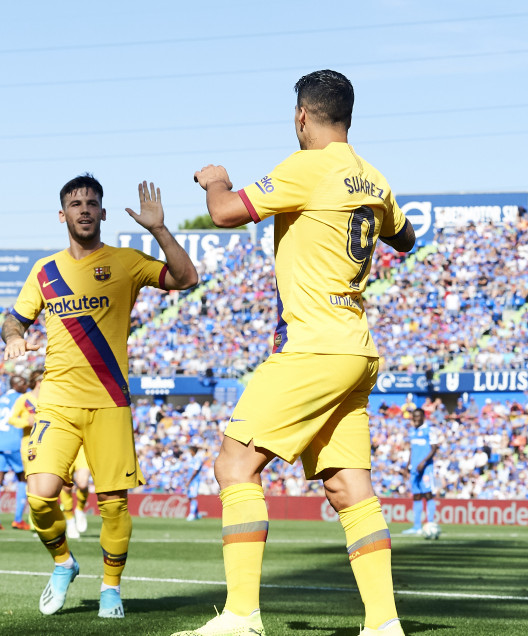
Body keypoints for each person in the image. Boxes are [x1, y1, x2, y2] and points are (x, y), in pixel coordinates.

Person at [176, 70, 415, 636]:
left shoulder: (305, 165)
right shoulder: (373, 178)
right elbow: (405, 239)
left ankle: (241, 616)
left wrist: (217, 180)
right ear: (348, 117)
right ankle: (384, 624)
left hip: (314, 346)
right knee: (347, 485)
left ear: (303, 116)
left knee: (235, 462)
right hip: (356, 347)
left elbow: (226, 213)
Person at [2, 174, 198, 619]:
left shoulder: (126, 262)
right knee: (39, 496)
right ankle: (63, 563)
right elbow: (13, 320)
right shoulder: (44, 271)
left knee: (113, 506)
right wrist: (14, 337)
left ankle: (111, 588)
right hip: (56, 401)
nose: (84, 209)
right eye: (75, 203)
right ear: (62, 214)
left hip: (110, 400)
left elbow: (187, 277)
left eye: (92, 202)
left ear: (103, 213)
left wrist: (159, 230)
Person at [0, 373, 36, 530]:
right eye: (23, 381)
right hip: (14, 442)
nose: (26, 384)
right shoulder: (22, 398)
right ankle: (18, 519)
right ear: (15, 384)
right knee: (22, 478)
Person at [403, 408, 439, 535]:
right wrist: (408, 465)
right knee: (416, 496)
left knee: (428, 494)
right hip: (414, 468)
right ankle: (417, 526)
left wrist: (424, 462)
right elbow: (412, 450)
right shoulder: (412, 431)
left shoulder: (430, 430)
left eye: (418, 416)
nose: (416, 419)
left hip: (426, 468)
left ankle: (430, 524)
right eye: (414, 417)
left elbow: (434, 448)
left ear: (423, 417)